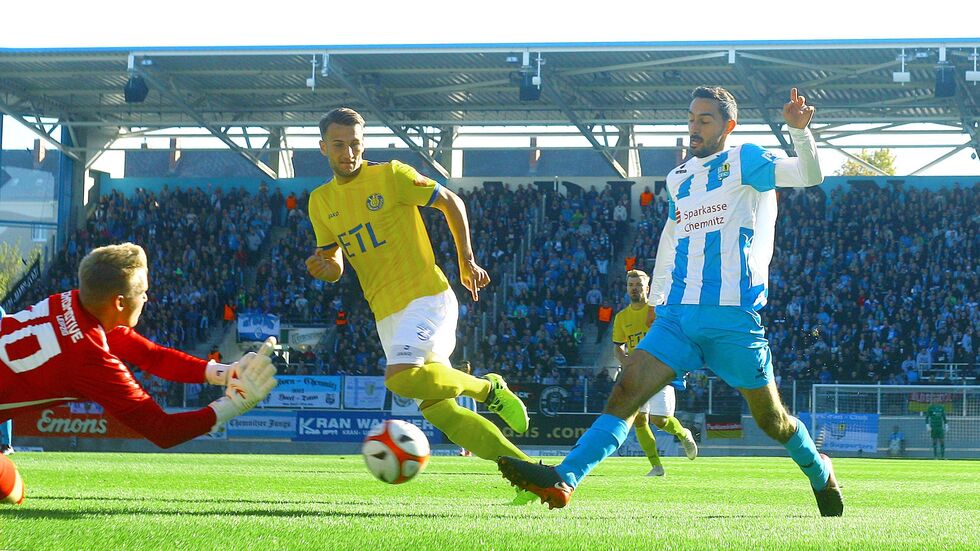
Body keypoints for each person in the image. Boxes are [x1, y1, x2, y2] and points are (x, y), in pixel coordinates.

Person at [498, 87, 844, 517]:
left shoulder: (746, 160)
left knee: (773, 421)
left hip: (732, 317)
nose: (694, 127)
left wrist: (798, 132)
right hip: (678, 317)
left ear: (727, 126)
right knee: (625, 391)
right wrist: (658, 299)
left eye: (705, 120)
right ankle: (565, 479)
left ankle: (819, 469)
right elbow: (671, 238)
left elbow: (809, 175)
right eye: (691, 118)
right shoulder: (678, 178)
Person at [305, 107, 531, 469]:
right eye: (339, 145)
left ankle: (489, 389)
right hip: (386, 313)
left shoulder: (392, 175)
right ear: (323, 148)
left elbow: (450, 201)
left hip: (426, 296)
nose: (349, 153)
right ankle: (528, 472)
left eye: (355, 144)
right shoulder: (320, 201)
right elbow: (333, 263)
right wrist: (326, 268)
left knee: (401, 378)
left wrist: (466, 260)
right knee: (439, 411)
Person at [0, 243, 278, 505]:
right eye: (142, 291)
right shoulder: (90, 357)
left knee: (11, 489)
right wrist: (235, 404)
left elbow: (152, 356)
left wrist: (225, 373)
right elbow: (163, 431)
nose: (146, 297)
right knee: (12, 491)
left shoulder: (70, 301)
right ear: (119, 302)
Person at [613, 269, 697, 477]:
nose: (634, 288)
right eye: (631, 285)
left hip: (660, 370)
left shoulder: (658, 311)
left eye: (639, 285)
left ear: (647, 288)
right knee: (640, 420)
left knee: (660, 421)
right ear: (627, 288)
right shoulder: (622, 317)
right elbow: (618, 345)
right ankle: (656, 466)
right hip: (637, 375)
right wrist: (625, 362)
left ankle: (682, 433)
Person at [456, 360, 477, 457]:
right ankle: (461, 450)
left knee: (470, 429)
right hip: (460, 405)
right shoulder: (457, 378)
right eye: (463, 367)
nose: (465, 368)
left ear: (470, 368)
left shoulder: (473, 379)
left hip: (471, 406)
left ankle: (469, 450)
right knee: (460, 428)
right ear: (461, 368)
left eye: (467, 367)